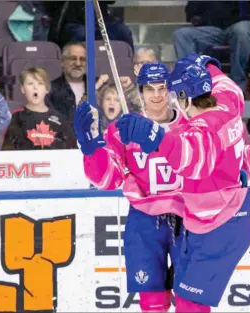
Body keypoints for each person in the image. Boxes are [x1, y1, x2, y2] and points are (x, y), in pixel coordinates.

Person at [115, 58, 250, 312]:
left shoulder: (202, 129)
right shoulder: (227, 103)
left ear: (184, 98)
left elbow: (191, 157)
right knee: (184, 297)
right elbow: (235, 156)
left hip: (218, 226)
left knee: (190, 305)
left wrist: (153, 135)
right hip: (205, 225)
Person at [73, 62, 188, 313]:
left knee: (191, 300)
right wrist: (90, 149)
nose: (157, 95)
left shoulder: (191, 126)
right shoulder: (123, 129)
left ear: (171, 90)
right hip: (144, 220)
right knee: (151, 302)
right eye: (150, 89)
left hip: (189, 219)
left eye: (162, 88)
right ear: (140, 92)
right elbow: (108, 180)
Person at [2, 67, 76, 150]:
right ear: (23, 89)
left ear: (47, 89)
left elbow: (72, 151)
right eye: (30, 84)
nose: (35, 88)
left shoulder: (60, 119)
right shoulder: (16, 118)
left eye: (40, 83)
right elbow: (7, 153)